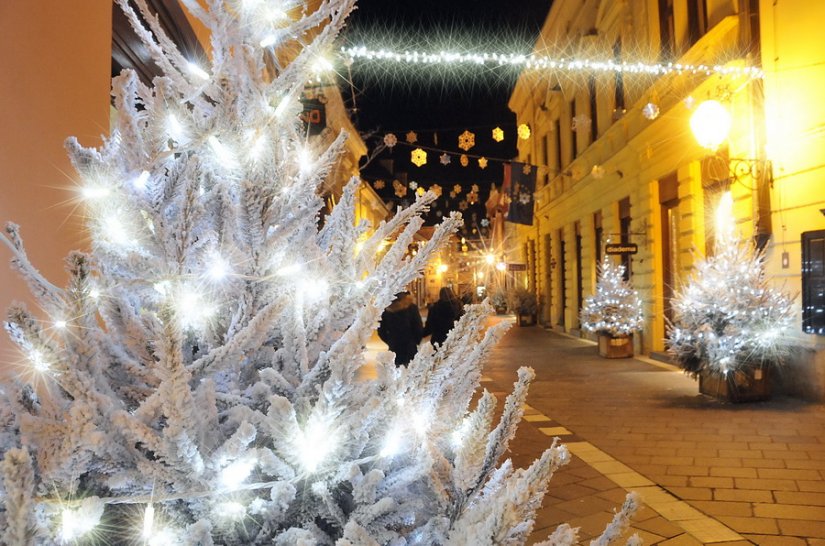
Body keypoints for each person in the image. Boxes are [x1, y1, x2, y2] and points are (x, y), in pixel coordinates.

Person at [377, 291, 424, 366]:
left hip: (394, 346)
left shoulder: (386, 311)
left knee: (396, 370)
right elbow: (418, 327)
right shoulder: (411, 308)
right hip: (409, 346)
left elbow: (381, 330)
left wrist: (390, 340)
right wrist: (416, 341)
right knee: (410, 371)